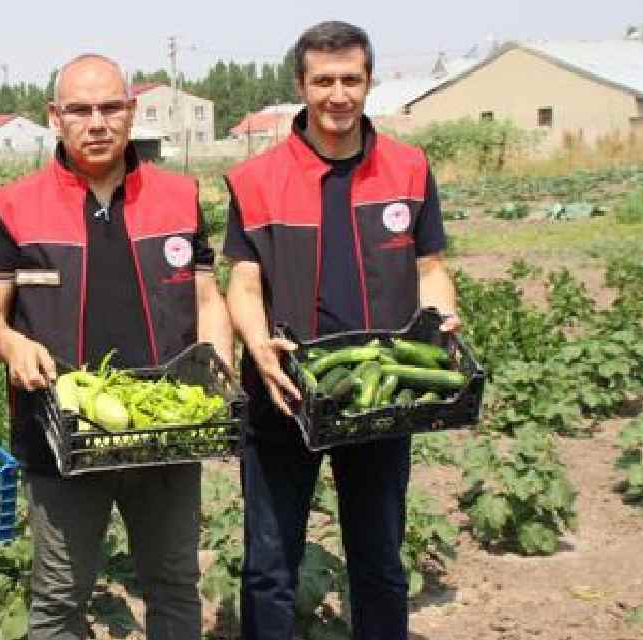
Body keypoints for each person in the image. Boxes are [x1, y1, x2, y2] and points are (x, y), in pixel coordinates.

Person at [0, 53, 232, 640]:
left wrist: (218, 367)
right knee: (60, 598)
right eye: (80, 110)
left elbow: (208, 300)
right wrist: (11, 345)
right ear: (55, 117)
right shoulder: (15, 206)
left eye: (111, 107)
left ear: (131, 113)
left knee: (173, 587)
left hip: (165, 433)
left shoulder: (179, 196)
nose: (97, 122)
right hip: (61, 437)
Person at [222, 21, 462, 640]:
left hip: (381, 396)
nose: (337, 94)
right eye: (323, 80)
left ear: (369, 82)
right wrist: (257, 348)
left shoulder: (408, 169)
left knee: (379, 558)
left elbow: (431, 267)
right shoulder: (257, 179)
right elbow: (244, 282)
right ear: (301, 86)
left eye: (350, 79)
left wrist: (441, 316)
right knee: (270, 565)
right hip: (285, 391)